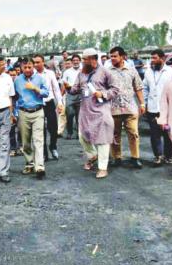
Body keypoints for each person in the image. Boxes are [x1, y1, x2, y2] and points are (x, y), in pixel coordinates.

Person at [68, 48, 119, 179]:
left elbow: (115, 89)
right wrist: (69, 88)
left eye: (85, 60)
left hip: (101, 110)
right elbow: (75, 89)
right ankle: (92, 155)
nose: (83, 62)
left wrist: (103, 94)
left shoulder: (105, 72)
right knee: (82, 136)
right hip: (85, 110)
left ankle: (103, 168)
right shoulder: (81, 74)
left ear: (93, 59)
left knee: (102, 139)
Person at [107, 46, 145, 169]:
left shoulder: (132, 70)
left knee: (133, 133)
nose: (112, 58)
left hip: (130, 107)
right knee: (115, 134)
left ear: (122, 56)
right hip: (113, 108)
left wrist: (142, 103)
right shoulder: (107, 71)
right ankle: (117, 157)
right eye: (111, 56)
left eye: (115, 56)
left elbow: (138, 87)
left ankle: (135, 158)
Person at [14, 57, 50, 179]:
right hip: (23, 113)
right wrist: (15, 113)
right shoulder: (17, 80)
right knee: (26, 141)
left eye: (30, 67)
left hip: (38, 112)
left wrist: (35, 88)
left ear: (33, 66)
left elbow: (46, 93)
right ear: (21, 68)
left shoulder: (39, 78)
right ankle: (30, 163)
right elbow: (14, 97)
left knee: (38, 140)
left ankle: (40, 167)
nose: (28, 69)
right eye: (25, 67)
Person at [143, 49, 172, 166]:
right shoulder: (148, 72)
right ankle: (158, 156)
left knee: (168, 134)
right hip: (152, 108)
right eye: (151, 58)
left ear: (162, 59)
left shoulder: (171, 72)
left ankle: (168, 156)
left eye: (155, 58)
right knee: (154, 134)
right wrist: (144, 104)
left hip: (167, 109)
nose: (152, 61)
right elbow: (145, 88)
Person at [33, 54, 64, 161]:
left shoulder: (50, 73)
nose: (36, 64)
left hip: (49, 103)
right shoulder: (32, 74)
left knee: (53, 127)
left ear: (43, 62)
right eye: (34, 63)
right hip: (38, 104)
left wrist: (60, 102)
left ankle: (53, 146)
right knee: (40, 129)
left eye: (38, 62)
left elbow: (56, 89)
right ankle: (44, 153)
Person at [62, 54, 82, 139]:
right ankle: (69, 132)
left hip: (80, 95)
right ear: (72, 62)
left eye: (77, 60)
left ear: (80, 61)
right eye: (74, 60)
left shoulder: (83, 71)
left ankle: (79, 133)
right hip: (70, 95)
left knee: (79, 116)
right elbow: (64, 83)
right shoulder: (67, 72)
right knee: (69, 115)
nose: (75, 62)